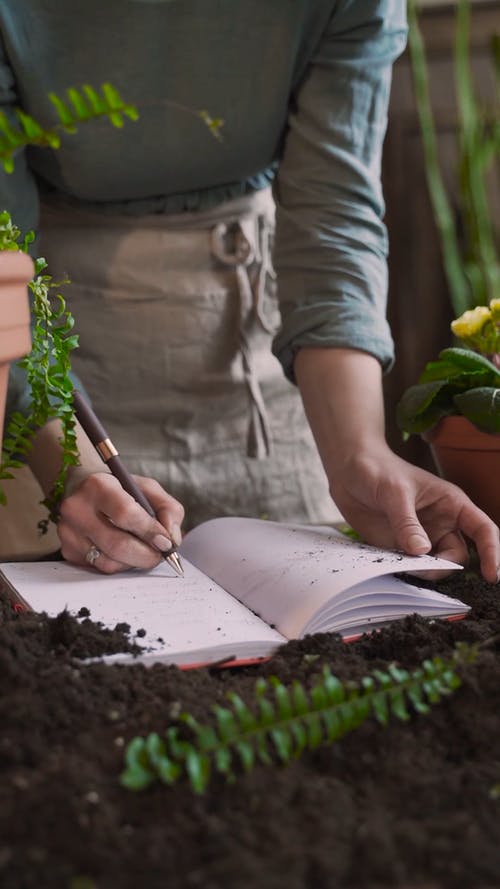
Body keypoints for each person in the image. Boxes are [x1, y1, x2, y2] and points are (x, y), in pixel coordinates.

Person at [1, 0, 499, 582]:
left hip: (271, 356)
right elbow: (6, 268)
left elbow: (332, 218)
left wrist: (359, 452)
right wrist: (76, 470)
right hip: (48, 347)